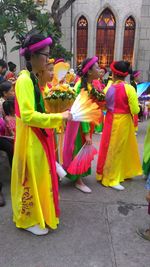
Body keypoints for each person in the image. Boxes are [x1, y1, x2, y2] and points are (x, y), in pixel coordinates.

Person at [11, 33, 71, 236]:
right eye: (46, 55)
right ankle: (27, 219)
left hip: (36, 137)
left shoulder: (32, 79)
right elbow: (28, 116)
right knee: (30, 179)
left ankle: (38, 214)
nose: (48, 59)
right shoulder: (24, 80)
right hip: (29, 138)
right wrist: (58, 117)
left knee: (38, 176)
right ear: (34, 56)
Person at [96, 61, 142, 190]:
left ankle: (107, 174)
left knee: (109, 147)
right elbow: (135, 110)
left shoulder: (108, 87)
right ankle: (112, 178)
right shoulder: (129, 89)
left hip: (110, 119)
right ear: (125, 75)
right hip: (123, 122)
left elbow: (103, 105)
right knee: (119, 149)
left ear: (114, 74)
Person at [63, 56, 101, 193]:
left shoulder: (90, 85)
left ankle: (79, 174)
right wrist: (86, 133)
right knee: (78, 149)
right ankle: (78, 180)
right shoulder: (81, 86)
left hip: (84, 123)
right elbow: (82, 111)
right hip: (78, 125)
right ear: (90, 71)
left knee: (82, 149)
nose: (100, 69)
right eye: (97, 67)